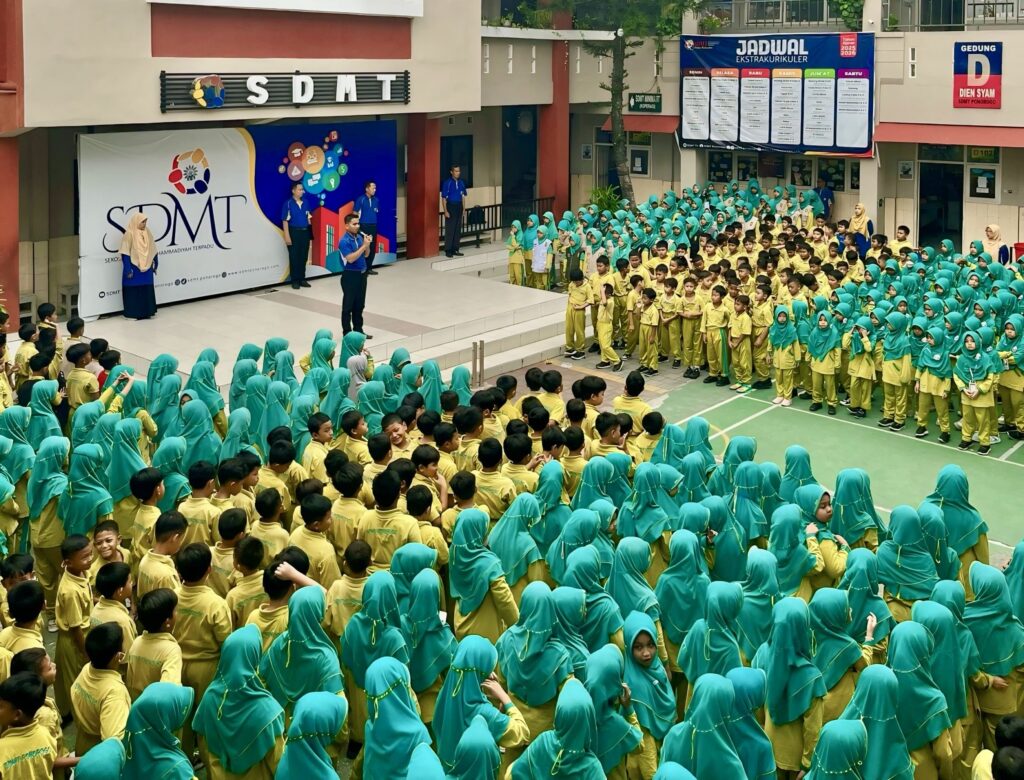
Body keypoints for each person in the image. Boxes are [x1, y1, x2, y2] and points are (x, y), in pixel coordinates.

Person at [339, 212, 373, 337]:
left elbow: (366, 254)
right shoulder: (344, 241)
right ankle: (347, 333)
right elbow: (351, 259)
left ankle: (358, 330)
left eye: (358, 223)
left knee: (360, 305)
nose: (357, 226)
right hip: (350, 276)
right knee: (348, 306)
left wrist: (367, 245)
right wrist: (364, 246)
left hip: (362, 275)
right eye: (354, 224)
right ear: (347, 226)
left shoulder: (359, 237)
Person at [119, 213, 158, 320]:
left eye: (145, 222)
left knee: (146, 290)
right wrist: (128, 269)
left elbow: (153, 248)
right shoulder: (129, 234)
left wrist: (156, 262)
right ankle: (132, 314)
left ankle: (147, 312)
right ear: (136, 221)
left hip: (147, 267)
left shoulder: (147, 232)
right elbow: (125, 253)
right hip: (134, 268)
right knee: (133, 291)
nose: (144, 224)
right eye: (142, 222)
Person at [281, 182, 313, 289]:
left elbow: (308, 218)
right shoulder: (288, 203)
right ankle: (294, 280)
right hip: (293, 232)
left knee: (303, 256)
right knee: (294, 256)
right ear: (293, 191)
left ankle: (302, 279)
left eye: (302, 189)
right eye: (300, 189)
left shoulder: (306, 202)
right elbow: (285, 220)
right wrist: (287, 236)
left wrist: (310, 234)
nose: (302, 191)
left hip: (305, 232)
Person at [354, 179, 381, 276]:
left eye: (375, 188)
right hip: (363, 226)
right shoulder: (360, 199)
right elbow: (355, 213)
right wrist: (356, 226)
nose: (375, 190)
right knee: (364, 247)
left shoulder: (376, 200)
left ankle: (369, 268)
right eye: (373, 188)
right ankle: (362, 269)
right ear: (367, 189)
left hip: (373, 226)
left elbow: (375, 212)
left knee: (372, 247)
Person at [441, 164, 468, 259]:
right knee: (450, 229)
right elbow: (443, 198)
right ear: (451, 172)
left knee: (457, 229)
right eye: (456, 171)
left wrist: (464, 208)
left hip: (459, 206)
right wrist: (445, 211)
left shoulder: (461, 182)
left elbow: (463, 196)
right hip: (451, 206)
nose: (458, 173)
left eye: (459, 171)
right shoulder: (447, 183)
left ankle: (455, 249)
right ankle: (448, 250)